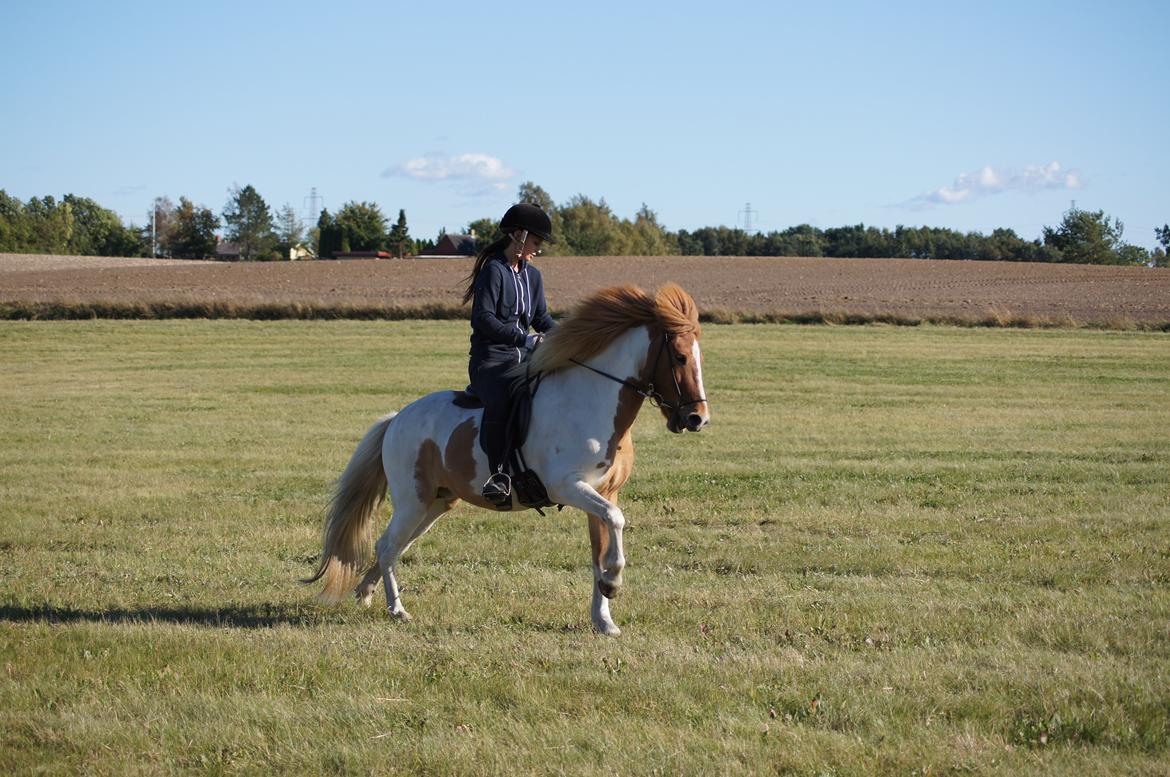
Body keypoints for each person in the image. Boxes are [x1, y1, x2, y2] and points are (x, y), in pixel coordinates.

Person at [462, 203, 557, 504]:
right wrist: (523, 339)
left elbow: (542, 318)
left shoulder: (534, 277)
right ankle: (498, 474)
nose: (538, 250)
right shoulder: (493, 271)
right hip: (490, 362)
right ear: (519, 235)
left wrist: (568, 337)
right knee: (504, 398)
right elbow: (483, 319)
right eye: (536, 243)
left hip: (525, 358)